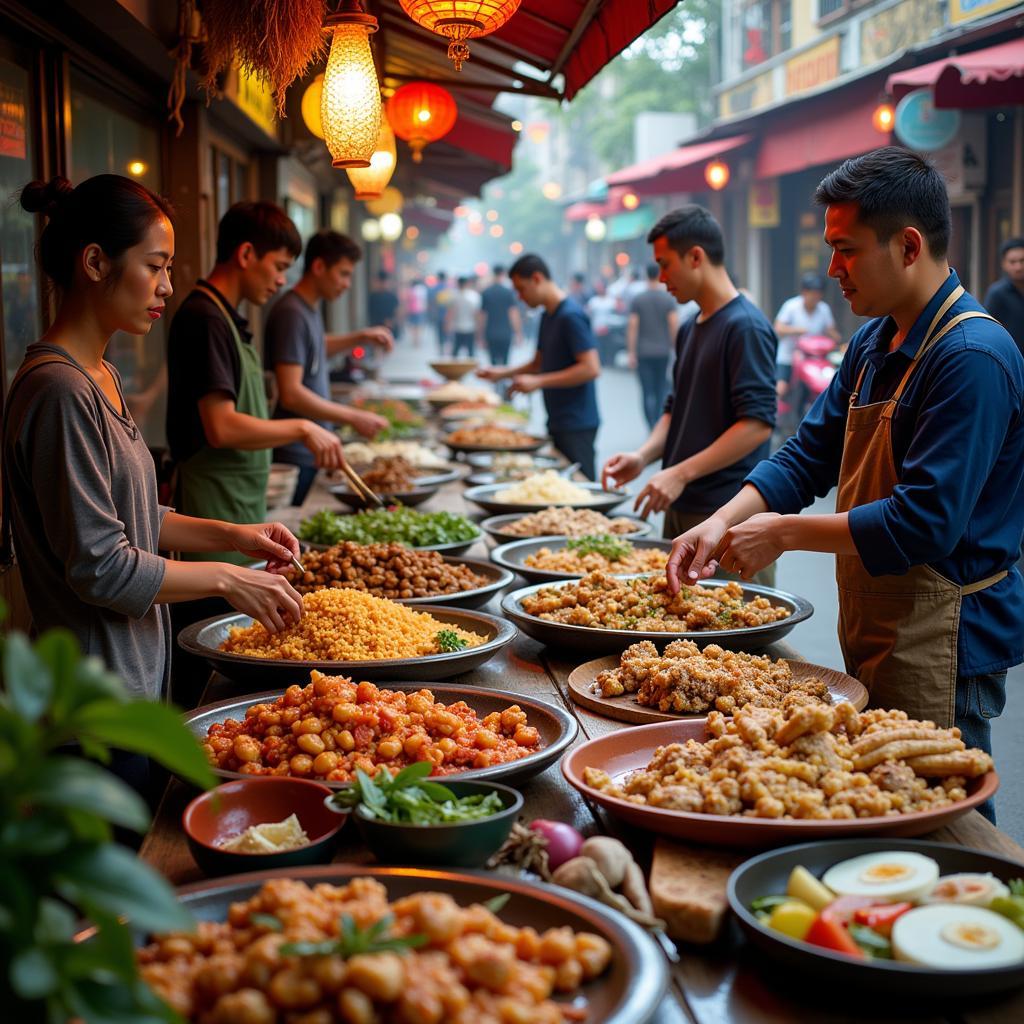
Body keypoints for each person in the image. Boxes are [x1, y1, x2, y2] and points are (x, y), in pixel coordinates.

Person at [666, 148, 1024, 788]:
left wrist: (782, 533)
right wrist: (722, 520)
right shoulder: (874, 340)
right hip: (878, 618)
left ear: (909, 246)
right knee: (877, 794)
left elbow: (925, 522)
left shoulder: (971, 357)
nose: (831, 269)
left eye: (847, 249)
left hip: (946, 637)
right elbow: (808, 453)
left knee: (942, 814)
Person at [3, 175, 304, 718]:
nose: (167, 286)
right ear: (94, 263)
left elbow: (135, 514)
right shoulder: (60, 390)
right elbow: (102, 567)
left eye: (167, 269)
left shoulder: (103, 375)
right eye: (155, 266)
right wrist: (229, 577)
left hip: (136, 681)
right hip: (92, 706)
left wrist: (235, 536)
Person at [602, 206, 778, 585]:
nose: (661, 278)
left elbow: (757, 425)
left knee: (736, 630)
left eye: (665, 265)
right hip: (683, 509)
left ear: (696, 256)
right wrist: (643, 455)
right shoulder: (688, 327)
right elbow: (675, 407)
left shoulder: (745, 327)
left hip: (727, 515)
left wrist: (679, 473)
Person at [166, 201, 345, 563]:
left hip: (239, 510)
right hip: (212, 511)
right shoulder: (205, 318)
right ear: (246, 254)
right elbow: (222, 427)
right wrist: (302, 428)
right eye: (279, 267)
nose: (281, 281)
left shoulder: (226, 317)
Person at [265, 230, 394, 506]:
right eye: (344, 274)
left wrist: (360, 337)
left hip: (313, 450)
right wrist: (353, 416)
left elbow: (313, 347)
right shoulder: (291, 312)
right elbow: (291, 392)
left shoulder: (306, 309)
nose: (347, 284)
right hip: (297, 454)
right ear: (319, 266)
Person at [478, 254, 601, 478]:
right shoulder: (548, 316)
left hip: (577, 421)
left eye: (521, 289)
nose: (519, 297)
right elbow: (539, 362)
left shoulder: (570, 315)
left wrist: (539, 382)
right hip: (557, 417)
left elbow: (591, 368)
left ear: (537, 279)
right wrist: (502, 373)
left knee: (581, 485)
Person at [627, 262, 679, 429]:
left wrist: (631, 352)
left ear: (645, 275)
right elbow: (673, 324)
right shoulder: (668, 298)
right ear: (659, 274)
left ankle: (651, 424)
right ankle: (658, 421)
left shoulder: (638, 299)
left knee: (646, 390)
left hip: (643, 352)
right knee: (660, 389)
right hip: (662, 351)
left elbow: (633, 326)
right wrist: (675, 347)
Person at [773, 272, 840, 398]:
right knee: (781, 388)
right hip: (789, 356)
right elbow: (778, 328)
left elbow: (831, 330)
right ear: (804, 292)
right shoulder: (791, 306)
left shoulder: (823, 309)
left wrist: (837, 339)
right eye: (813, 293)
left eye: (819, 293)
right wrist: (797, 330)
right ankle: (775, 415)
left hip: (815, 359)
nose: (816, 296)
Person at [983, 236, 1024, 357]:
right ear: (1004, 264)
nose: (1018, 267)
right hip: (1011, 360)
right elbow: (987, 329)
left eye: (1022, 261)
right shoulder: (997, 293)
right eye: (1013, 262)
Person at [479, 264, 522, 368]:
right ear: (503, 274)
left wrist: (480, 335)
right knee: (505, 362)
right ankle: (502, 382)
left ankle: (496, 382)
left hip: (491, 333)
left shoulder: (486, 293)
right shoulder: (508, 292)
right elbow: (513, 314)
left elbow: (482, 316)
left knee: (493, 363)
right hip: (506, 333)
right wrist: (518, 333)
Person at [446, 275, 481, 358]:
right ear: (468, 283)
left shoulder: (454, 295)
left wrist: (448, 325)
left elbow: (451, 312)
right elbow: (476, 313)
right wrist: (479, 328)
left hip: (457, 327)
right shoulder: (474, 296)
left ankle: (454, 369)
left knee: (455, 351)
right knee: (471, 351)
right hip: (471, 327)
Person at [368, 269, 401, 338]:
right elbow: (371, 313)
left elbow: (397, 311)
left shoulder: (392, 297)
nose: (383, 284)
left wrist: (392, 321)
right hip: (376, 328)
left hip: (389, 328)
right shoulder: (373, 297)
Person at [428, 271, 452, 353]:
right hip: (448, 315)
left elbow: (431, 302)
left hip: (438, 315)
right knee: (448, 333)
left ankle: (441, 349)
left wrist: (432, 313)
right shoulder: (448, 289)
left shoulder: (434, 289)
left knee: (439, 333)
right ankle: (448, 349)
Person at [403, 277, 428, 347]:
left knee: (413, 326)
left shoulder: (410, 290)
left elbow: (407, 301)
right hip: (420, 310)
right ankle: (418, 340)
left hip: (412, 310)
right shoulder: (422, 289)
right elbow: (424, 300)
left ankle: (414, 340)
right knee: (419, 326)